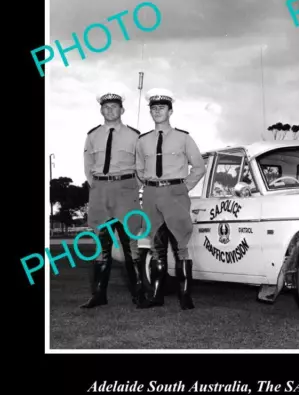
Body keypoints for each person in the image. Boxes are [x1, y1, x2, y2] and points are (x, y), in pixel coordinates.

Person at [135, 88, 206, 310]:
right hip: (151, 195)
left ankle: (185, 295)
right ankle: (156, 295)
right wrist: (145, 190)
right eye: (154, 108)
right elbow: (138, 169)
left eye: (162, 108)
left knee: (181, 246)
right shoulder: (142, 141)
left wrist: (184, 187)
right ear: (151, 112)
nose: (157, 111)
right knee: (156, 246)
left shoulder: (184, 138)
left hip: (175, 193)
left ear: (170, 111)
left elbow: (199, 167)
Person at [81, 85, 148, 309]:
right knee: (102, 246)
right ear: (101, 110)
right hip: (101, 192)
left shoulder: (134, 136)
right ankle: (99, 295)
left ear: (122, 110)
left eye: (115, 107)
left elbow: (142, 167)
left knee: (131, 245)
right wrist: (99, 187)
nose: (110, 110)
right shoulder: (92, 136)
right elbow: (88, 167)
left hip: (126, 191)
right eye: (106, 107)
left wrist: (129, 186)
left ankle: (140, 294)